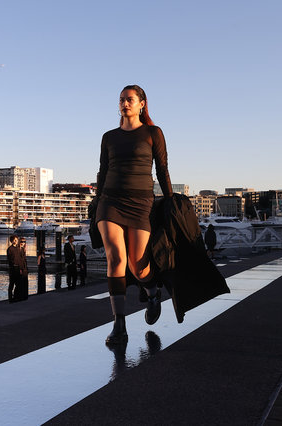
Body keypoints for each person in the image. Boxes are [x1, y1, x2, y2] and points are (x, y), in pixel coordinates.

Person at [95, 84, 173, 345]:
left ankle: (152, 292)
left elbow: (162, 170)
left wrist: (171, 200)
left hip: (141, 202)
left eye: (129, 99)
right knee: (115, 258)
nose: (124, 103)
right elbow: (102, 171)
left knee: (138, 264)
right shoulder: (109, 137)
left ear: (142, 103)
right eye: (121, 100)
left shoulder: (153, 133)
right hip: (110, 201)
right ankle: (119, 324)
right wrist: (97, 202)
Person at [6, 235, 22, 303]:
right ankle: (10, 298)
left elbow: (19, 259)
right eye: (15, 240)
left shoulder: (18, 249)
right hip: (12, 268)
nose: (16, 241)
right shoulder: (10, 249)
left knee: (18, 284)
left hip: (18, 268)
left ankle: (16, 296)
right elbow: (10, 259)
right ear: (12, 241)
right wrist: (13, 265)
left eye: (16, 240)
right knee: (11, 284)